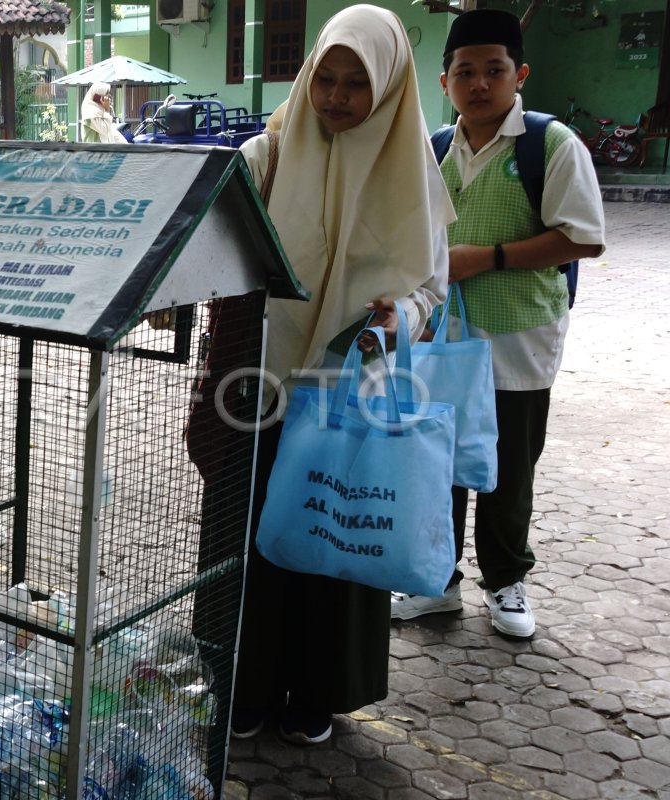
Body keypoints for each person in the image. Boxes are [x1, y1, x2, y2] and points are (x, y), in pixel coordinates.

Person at [195, 4, 454, 745]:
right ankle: (238, 683)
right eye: (325, 79)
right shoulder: (267, 154)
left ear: (392, 90)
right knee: (246, 541)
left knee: (334, 540)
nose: (336, 98)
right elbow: (210, 238)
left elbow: (430, 288)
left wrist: (396, 318)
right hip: (262, 389)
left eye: (355, 85)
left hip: (350, 397)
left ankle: (317, 690)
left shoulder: (414, 175)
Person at [390, 9, 605, 638]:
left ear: (520, 75)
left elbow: (583, 238)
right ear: (444, 82)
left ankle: (506, 582)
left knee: (509, 467)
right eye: (465, 72)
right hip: (444, 342)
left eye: (493, 70)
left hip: (520, 339)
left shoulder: (551, 145)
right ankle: (438, 583)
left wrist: (485, 259)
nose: (479, 83)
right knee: (441, 463)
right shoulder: (431, 151)